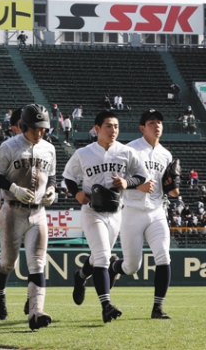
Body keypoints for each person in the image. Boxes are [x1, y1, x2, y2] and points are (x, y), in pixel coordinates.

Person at [63, 110, 148, 323]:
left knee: (98, 256)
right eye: (109, 126)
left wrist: (128, 183)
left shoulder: (126, 152)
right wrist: (77, 193)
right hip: (92, 210)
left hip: (115, 212)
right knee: (102, 257)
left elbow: (141, 175)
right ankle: (106, 305)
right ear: (97, 129)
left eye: (116, 126)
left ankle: (80, 276)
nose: (113, 130)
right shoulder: (84, 153)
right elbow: (68, 176)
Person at [0, 104, 56, 331]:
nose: (39, 133)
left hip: (38, 212)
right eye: (35, 128)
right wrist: (13, 187)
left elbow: (51, 176)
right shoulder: (9, 146)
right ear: (23, 126)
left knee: (37, 263)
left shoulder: (48, 149)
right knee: (9, 263)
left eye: (42, 128)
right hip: (12, 211)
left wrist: (52, 190)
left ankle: (36, 312)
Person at [109, 109, 179, 319]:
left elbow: (171, 189)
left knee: (163, 257)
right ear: (142, 128)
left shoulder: (166, 154)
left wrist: (173, 188)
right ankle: (114, 267)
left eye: (159, 121)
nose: (156, 125)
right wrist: (136, 186)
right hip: (132, 211)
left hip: (157, 211)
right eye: (151, 122)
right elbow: (116, 180)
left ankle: (157, 308)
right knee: (131, 266)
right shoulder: (129, 150)